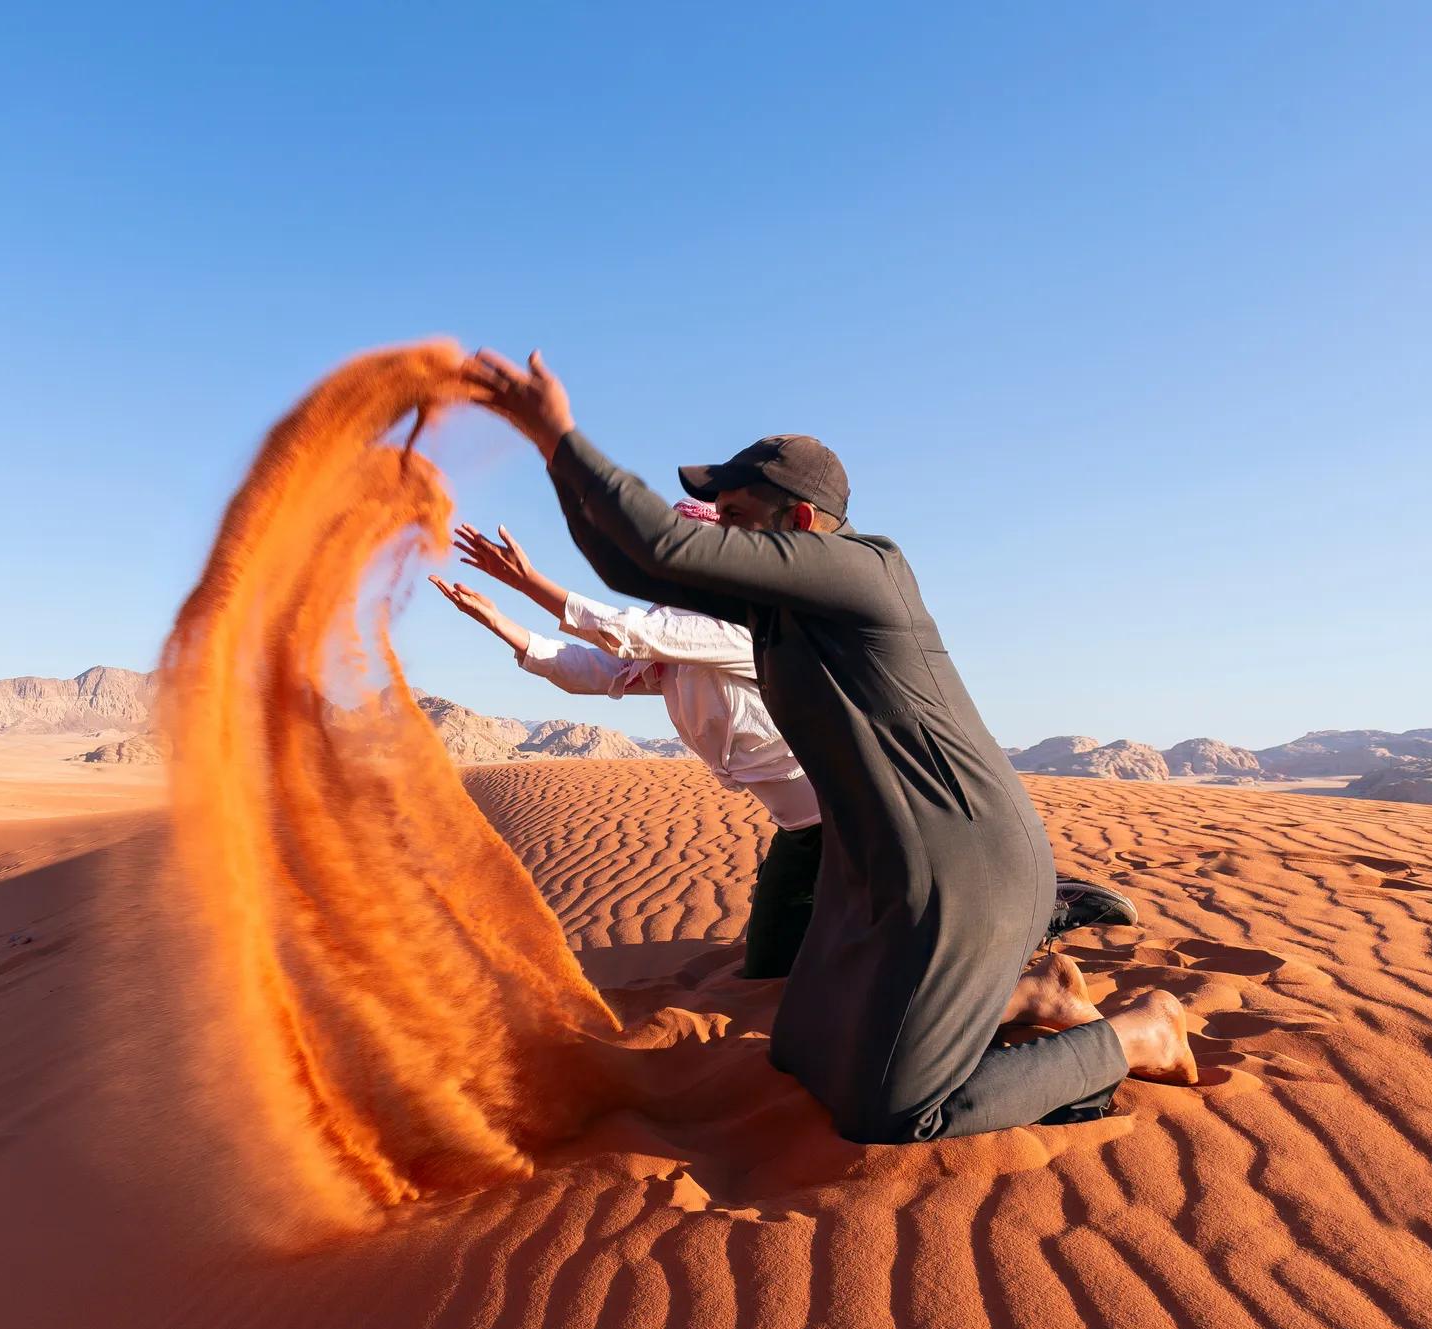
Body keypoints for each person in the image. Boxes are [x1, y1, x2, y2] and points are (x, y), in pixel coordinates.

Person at [459, 347, 1195, 1143]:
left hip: (960, 858)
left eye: (736, 517)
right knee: (801, 1049)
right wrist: (548, 456)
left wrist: (558, 431)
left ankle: (1137, 1035)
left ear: (800, 524)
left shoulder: (866, 572)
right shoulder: (771, 617)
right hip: (870, 860)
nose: (722, 536)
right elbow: (627, 564)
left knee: (893, 1109)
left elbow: (657, 556)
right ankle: (1031, 1000)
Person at [428, 499, 823, 979]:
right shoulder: (675, 649)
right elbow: (596, 670)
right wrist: (500, 623)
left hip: (848, 823)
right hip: (802, 831)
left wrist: (527, 581)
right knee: (772, 961)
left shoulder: (740, 624)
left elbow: (626, 633)